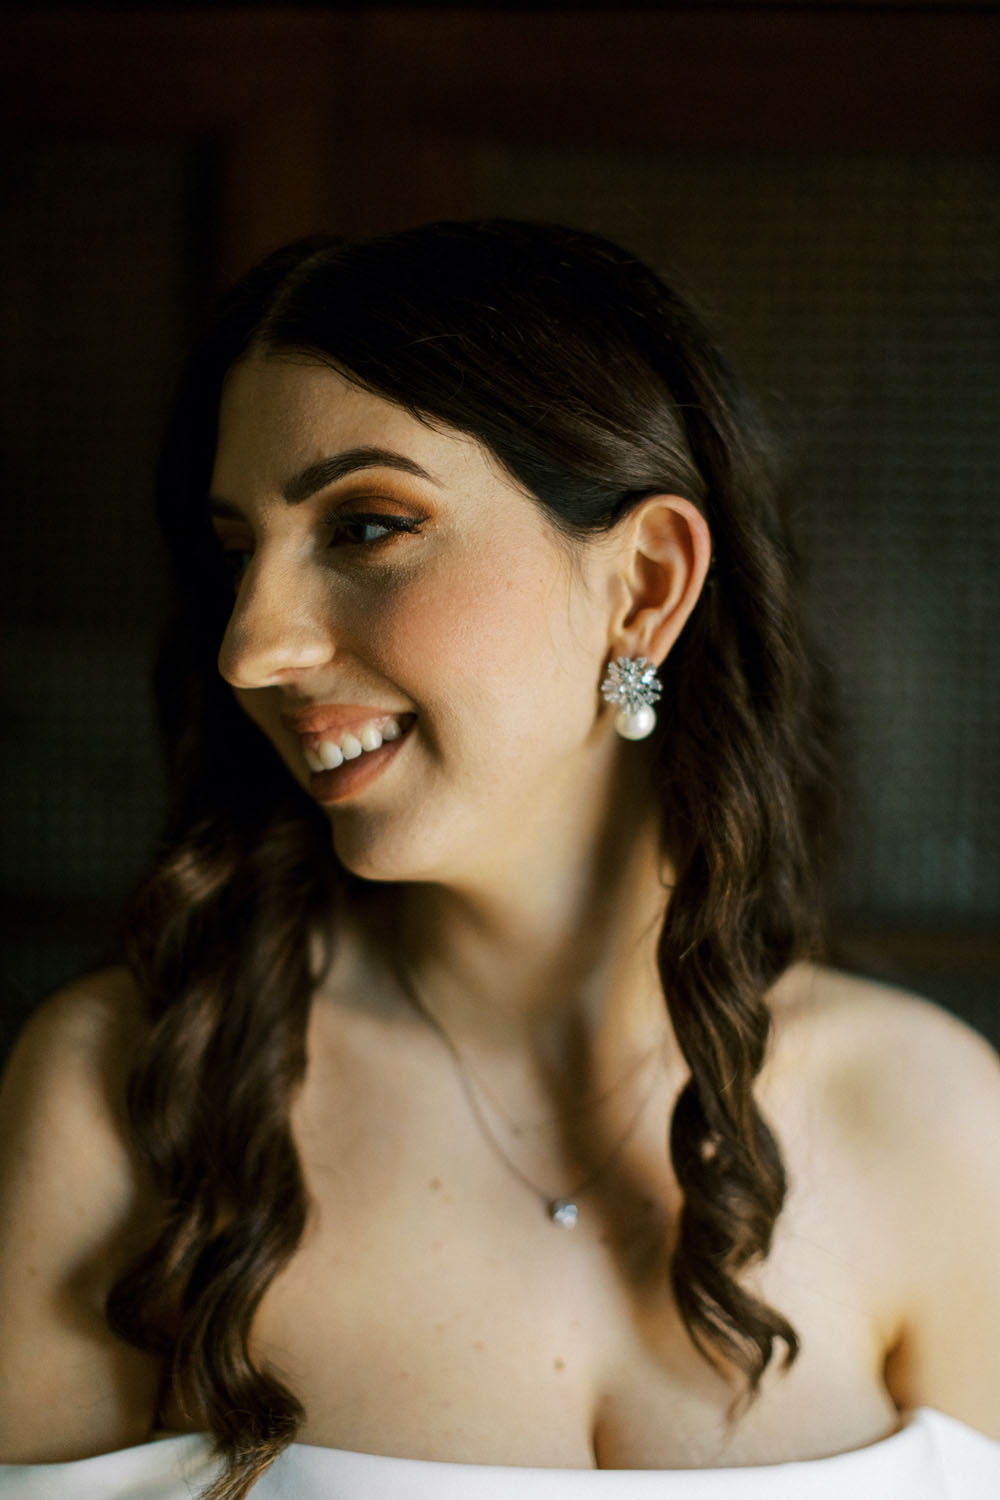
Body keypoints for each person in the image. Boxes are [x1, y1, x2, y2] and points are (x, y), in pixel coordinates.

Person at [0, 220, 997, 1500]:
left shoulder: (933, 1121)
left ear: (643, 585)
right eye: (239, 550)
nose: (250, 647)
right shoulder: (126, 1103)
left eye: (365, 526)